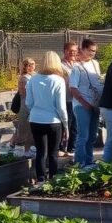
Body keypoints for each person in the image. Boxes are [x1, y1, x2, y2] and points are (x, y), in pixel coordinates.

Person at [25, 51, 68, 181]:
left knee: (40, 152)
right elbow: (61, 106)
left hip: (36, 120)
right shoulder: (59, 80)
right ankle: (53, 179)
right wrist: (65, 124)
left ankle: (41, 179)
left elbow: (28, 102)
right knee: (53, 153)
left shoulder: (33, 79)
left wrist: (36, 111)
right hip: (53, 121)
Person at [70, 39, 102, 167]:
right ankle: (79, 162)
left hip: (95, 104)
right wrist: (84, 103)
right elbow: (73, 87)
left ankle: (89, 160)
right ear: (82, 49)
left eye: (94, 51)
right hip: (81, 105)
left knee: (93, 134)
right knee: (83, 135)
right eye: (90, 50)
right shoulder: (76, 67)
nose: (92, 53)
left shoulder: (95, 64)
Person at [12, 58, 36, 154]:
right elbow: (23, 93)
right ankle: (22, 150)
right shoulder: (24, 78)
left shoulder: (35, 76)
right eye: (29, 65)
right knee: (23, 129)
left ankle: (28, 148)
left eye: (33, 64)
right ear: (25, 67)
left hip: (32, 105)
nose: (31, 67)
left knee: (30, 129)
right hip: (25, 105)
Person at [60, 42, 79, 154]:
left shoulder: (76, 64)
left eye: (75, 51)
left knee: (75, 125)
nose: (73, 53)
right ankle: (62, 148)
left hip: (77, 99)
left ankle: (72, 147)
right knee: (67, 123)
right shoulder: (61, 65)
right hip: (66, 98)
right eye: (70, 50)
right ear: (65, 51)